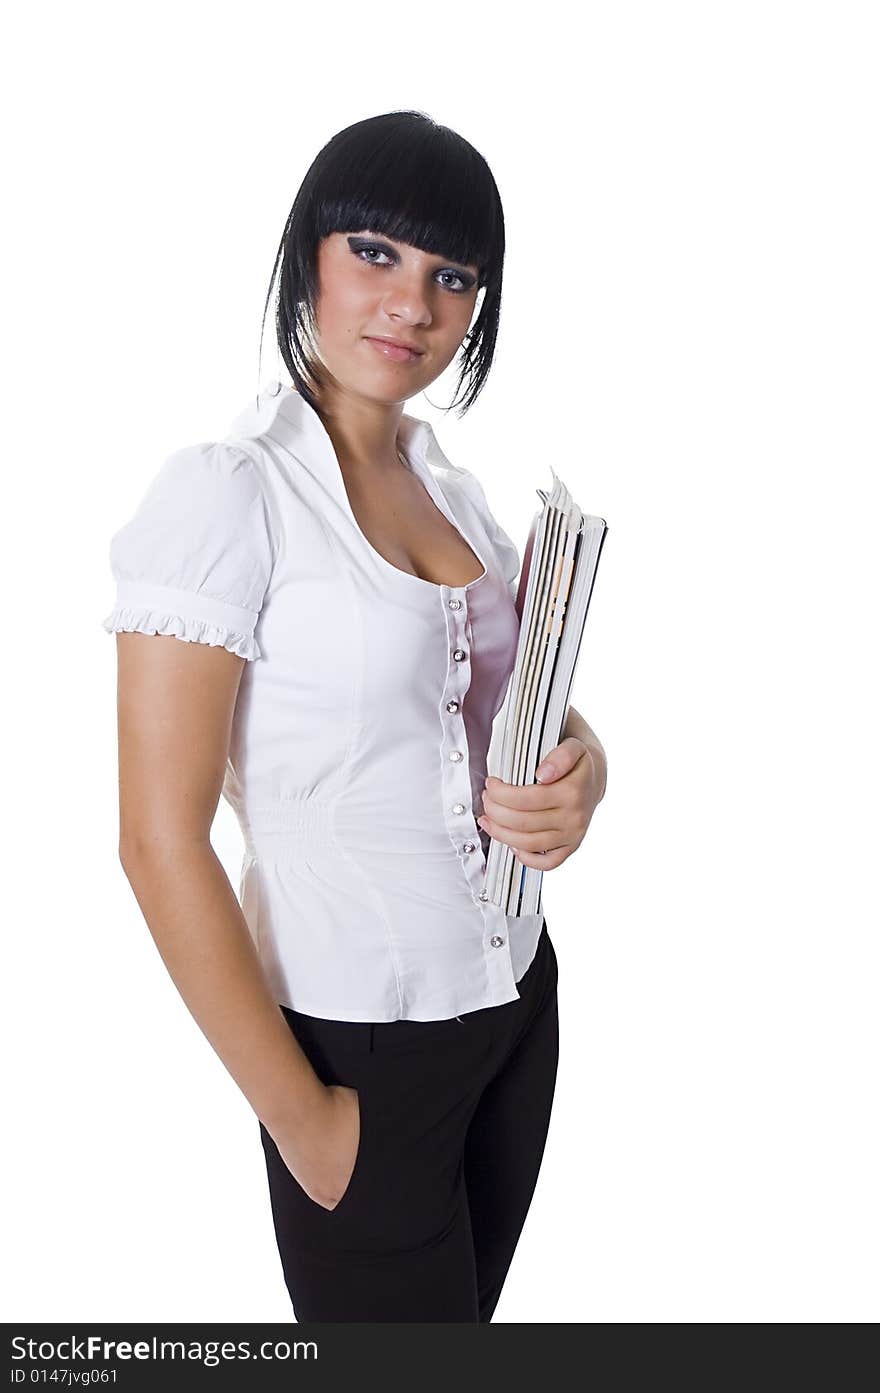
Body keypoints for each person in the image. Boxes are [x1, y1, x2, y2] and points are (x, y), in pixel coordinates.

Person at [102, 109, 607, 1322]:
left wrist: (586, 770)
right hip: (353, 1052)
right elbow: (157, 841)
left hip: (513, 999)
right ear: (308, 255)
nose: (413, 307)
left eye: (451, 277)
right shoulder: (227, 495)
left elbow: (519, 703)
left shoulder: (449, 482)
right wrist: (303, 1118)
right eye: (374, 253)